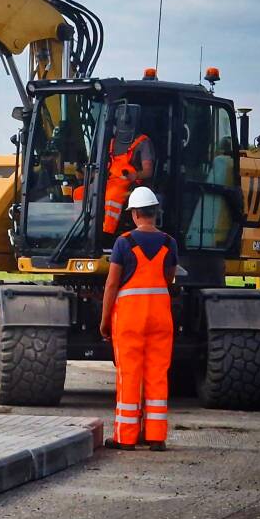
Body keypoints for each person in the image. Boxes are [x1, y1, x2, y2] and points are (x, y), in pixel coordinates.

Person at [99, 187, 176, 451]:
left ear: (134, 214)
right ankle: (156, 437)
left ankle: (126, 437)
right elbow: (168, 279)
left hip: (131, 319)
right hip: (161, 318)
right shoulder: (169, 243)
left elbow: (111, 285)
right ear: (155, 212)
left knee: (129, 375)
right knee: (157, 374)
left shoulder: (124, 243)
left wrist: (105, 319)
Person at [103, 104, 155, 234]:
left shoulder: (143, 142)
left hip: (132, 185)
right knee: (81, 192)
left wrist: (134, 176)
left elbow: (148, 171)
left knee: (112, 196)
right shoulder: (112, 142)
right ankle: (83, 229)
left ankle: (107, 233)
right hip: (112, 180)